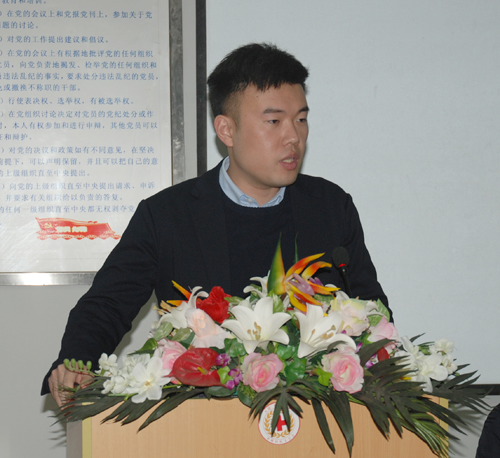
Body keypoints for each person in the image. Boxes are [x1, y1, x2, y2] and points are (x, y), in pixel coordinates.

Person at [43, 43, 389, 406]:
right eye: (274, 121)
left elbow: (372, 310)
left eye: (300, 119)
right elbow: (107, 305)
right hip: (201, 418)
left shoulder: (330, 207)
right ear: (226, 130)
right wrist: (76, 361)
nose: (293, 137)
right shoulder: (167, 216)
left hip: (314, 416)